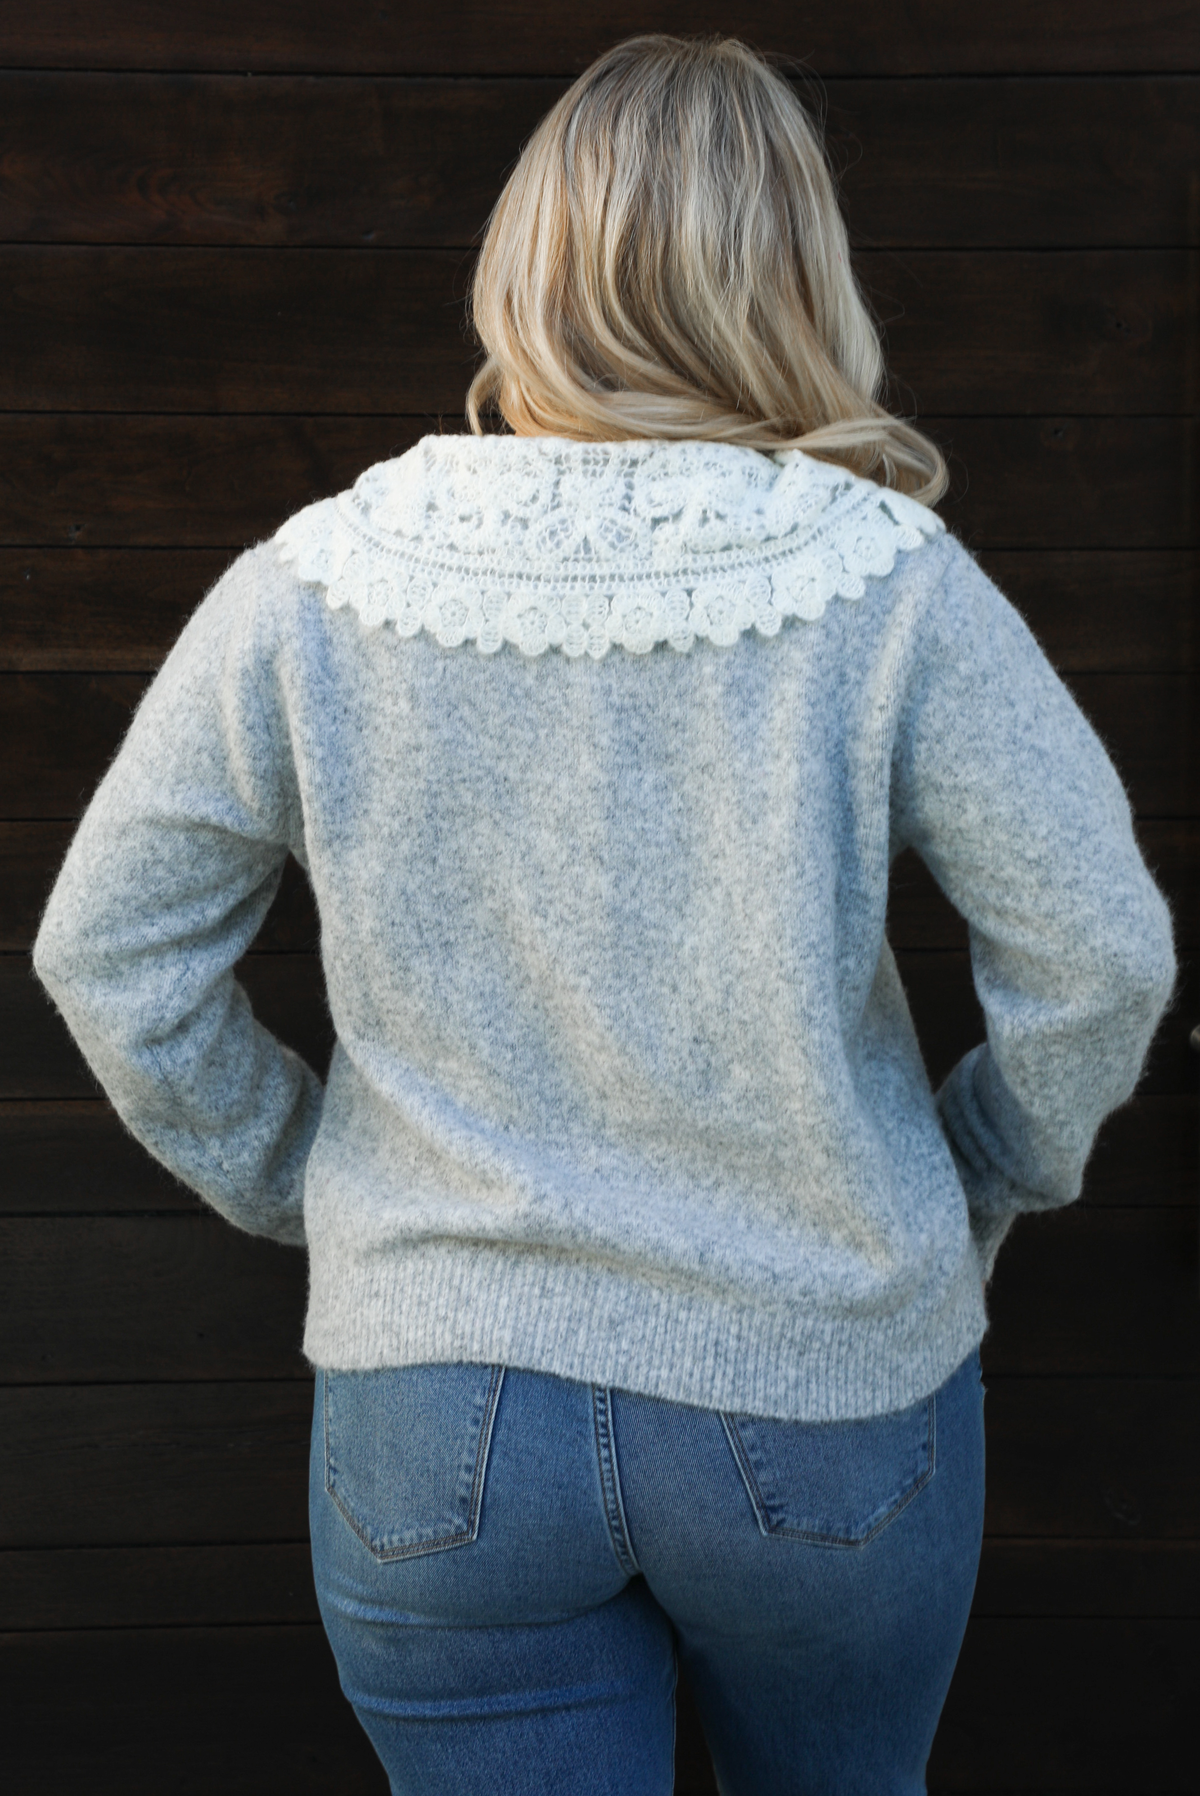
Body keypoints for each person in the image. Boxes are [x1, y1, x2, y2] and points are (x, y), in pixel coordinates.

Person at [33, 34, 1174, 1796]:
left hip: (438, 1414)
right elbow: (1100, 953)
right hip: (828, 1387)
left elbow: (108, 952)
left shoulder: (314, 581)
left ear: (527, 260)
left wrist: (318, 1181)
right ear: (797, 277)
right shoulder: (888, 583)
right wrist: (977, 1176)